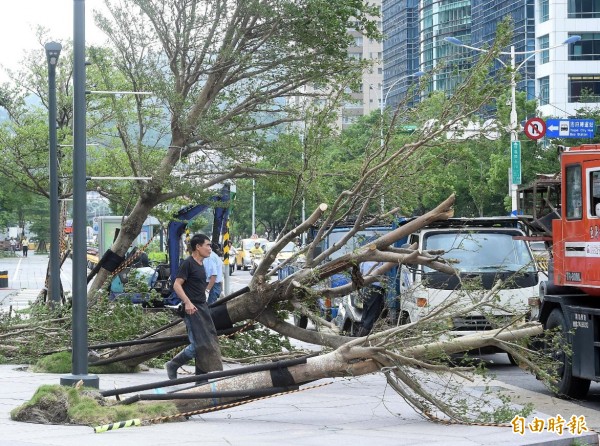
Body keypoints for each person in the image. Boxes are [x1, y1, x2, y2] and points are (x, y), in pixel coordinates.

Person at [165, 233, 223, 381]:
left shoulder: (201, 264)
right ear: (198, 247)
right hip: (192, 309)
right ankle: (173, 364)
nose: (210, 248)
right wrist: (187, 302)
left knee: (207, 343)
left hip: (202, 308)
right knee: (198, 345)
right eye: (207, 245)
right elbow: (177, 285)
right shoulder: (188, 263)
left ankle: (201, 379)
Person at [356, 261, 385, 337]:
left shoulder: (363, 261)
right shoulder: (380, 260)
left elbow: (360, 273)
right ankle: (362, 336)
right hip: (376, 287)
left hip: (366, 287)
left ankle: (360, 333)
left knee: (365, 311)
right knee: (372, 312)